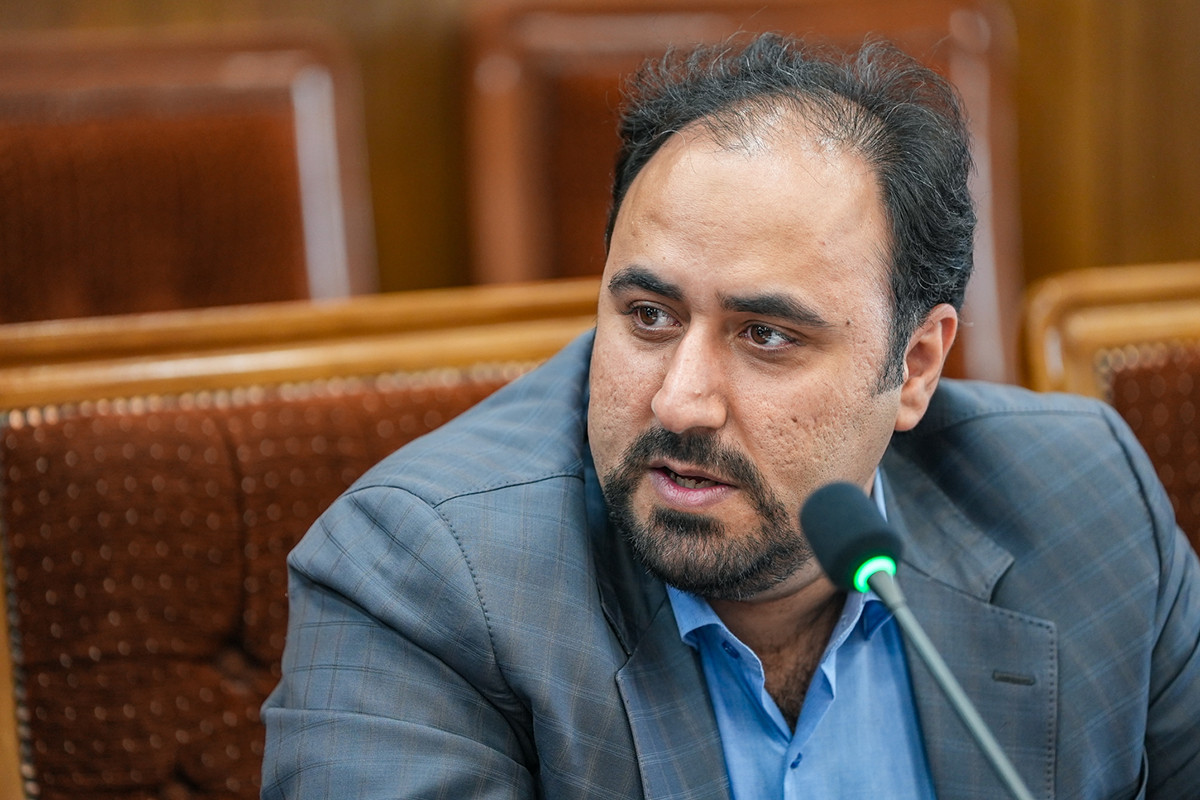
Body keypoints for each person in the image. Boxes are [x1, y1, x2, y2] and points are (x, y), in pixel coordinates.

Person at [260, 33, 1200, 799]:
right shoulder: (422, 576)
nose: (679, 400)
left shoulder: (1086, 506)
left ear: (915, 366)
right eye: (649, 317)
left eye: (767, 336)